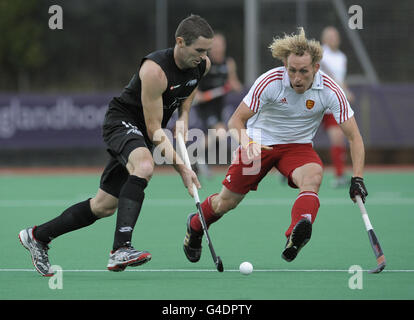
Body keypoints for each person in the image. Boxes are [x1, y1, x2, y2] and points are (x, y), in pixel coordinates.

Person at [18, 14, 214, 276]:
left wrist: (184, 117)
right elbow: (155, 130)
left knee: (104, 206)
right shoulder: (154, 70)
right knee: (144, 165)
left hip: (143, 131)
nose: (203, 56)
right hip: (122, 121)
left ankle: (37, 236)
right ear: (180, 41)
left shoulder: (202, 64)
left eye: (206, 51)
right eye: (198, 50)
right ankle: (121, 249)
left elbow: (190, 87)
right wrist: (182, 168)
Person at [183, 27, 368, 264]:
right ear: (284, 65)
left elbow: (354, 137)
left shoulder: (330, 90)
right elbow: (235, 121)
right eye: (291, 70)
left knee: (313, 174)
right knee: (226, 202)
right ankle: (195, 225)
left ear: (316, 68)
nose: (297, 78)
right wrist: (247, 142)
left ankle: (296, 234)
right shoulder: (270, 82)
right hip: (259, 144)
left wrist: (358, 178)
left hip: (297, 147)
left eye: (303, 71)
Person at [193, 33, 243, 177]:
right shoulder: (205, 63)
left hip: (218, 105)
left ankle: (198, 159)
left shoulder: (228, 63)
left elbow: (235, 83)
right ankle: (196, 157)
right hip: (205, 105)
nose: (217, 49)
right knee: (220, 132)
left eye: (220, 46)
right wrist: (198, 95)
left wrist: (234, 86)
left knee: (214, 135)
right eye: (214, 46)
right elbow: (195, 88)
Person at [320, 26, 355, 188]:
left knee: (338, 138)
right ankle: (285, 171)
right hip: (315, 102)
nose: (334, 38)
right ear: (324, 39)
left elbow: (340, 79)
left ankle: (340, 175)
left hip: (332, 105)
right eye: (330, 36)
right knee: (297, 136)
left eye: (336, 35)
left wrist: (346, 90)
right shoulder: (319, 53)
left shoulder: (342, 57)